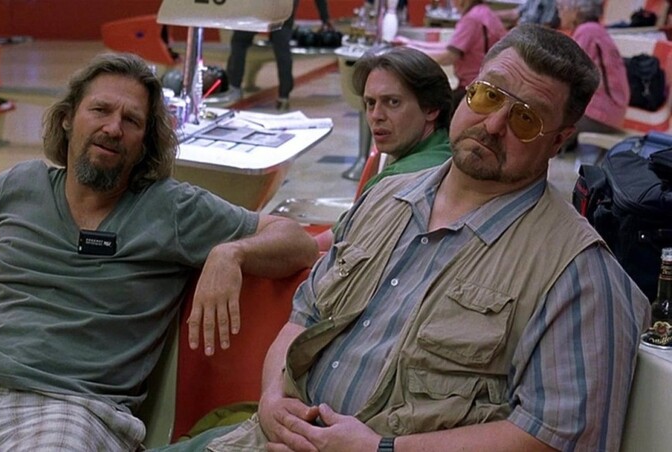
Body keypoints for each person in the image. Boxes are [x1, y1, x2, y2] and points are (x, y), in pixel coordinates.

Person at [164, 24, 651, 452]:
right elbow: (305, 317)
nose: (494, 124)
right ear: (467, 91)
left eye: (526, 118)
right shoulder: (385, 197)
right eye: (488, 96)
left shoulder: (580, 275)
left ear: (559, 139)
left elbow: (559, 439)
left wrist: (382, 448)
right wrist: (273, 399)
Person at [0, 52, 318, 450]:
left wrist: (231, 253)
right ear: (68, 118)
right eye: (100, 110)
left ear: (145, 143)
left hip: (73, 408)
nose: (113, 128)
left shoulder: (172, 208)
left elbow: (295, 240)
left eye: (132, 120)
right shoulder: (21, 185)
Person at [313, 46, 453, 251]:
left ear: (431, 108)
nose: (376, 115)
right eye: (370, 103)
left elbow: (331, 248)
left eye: (393, 102)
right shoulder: (448, 150)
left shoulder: (396, 180)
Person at [395, 0, 507, 109]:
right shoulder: (484, 12)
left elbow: (449, 56)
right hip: (487, 86)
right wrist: (411, 44)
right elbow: (451, 47)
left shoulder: (471, 19)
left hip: (473, 88)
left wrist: (410, 54)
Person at [557, 0, 629, 165]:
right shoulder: (596, 31)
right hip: (611, 112)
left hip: (599, 114)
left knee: (547, 122)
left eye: (561, 8)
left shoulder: (587, 32)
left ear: (576, 11)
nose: (559, 14)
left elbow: (571, 75)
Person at [226, 0, 300, 110]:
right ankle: (284, 95)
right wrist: (324, 18)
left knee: (239, 42)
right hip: (283, 9)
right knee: (282, 50)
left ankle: (234, 86)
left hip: (259, 8)